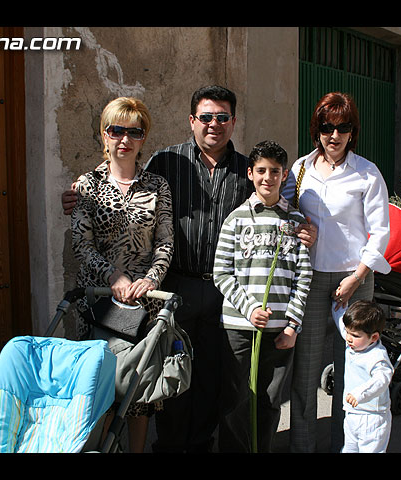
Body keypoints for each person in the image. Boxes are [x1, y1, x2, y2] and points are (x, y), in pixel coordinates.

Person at [63, 85, 317, 452]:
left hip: (223, 292)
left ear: (233, 121)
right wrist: (75, 195)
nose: (214, 124)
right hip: (175, 286)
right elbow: (125, 185)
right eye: (206, 117)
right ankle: (170, 446)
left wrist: (308, 227)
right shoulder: (168, 162)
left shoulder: (248, 169)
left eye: (223, 117)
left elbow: (282, 208)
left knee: (213, 379)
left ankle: (200, 445)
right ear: (192, 121)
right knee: (171, 373)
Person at [281, 92, 391, 453]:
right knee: (306, 372)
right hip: (310, 280)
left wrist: (357, 277)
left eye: (343, 128)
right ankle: (302, 446)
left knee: (351, 373)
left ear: (352, 132)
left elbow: (381, 230)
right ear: (317, 129)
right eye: (327, 127)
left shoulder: (367, 172)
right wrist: (297, 228)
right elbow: (282, 213)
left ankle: (347, 446)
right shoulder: (299, 170)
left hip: (355, 279)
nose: (334, 135)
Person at [70, 96, 174, 453]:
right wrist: (114, 276)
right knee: (97, 388)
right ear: (104, 134)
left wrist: (151, 280)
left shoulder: (158, 186)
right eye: (117, 130)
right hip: (97, 303)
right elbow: (81, 245)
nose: (124, 139)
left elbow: (165, 243)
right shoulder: (87, 185)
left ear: (144, 137)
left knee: (137, 392)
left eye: (135, 131)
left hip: (141, 305)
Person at [212, 140, 313, 453]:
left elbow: (303, 277)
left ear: (284, 176)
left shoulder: (295, 223)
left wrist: (292, 326)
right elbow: (221, 272)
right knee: (235, 400)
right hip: (238, 327)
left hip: (279, 332)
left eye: (275, 171)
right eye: (261, 170)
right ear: (250, 173)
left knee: (269, 401)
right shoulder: (236, 219)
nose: (267, 177)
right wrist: (249, 308)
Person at [332, 300, 393, 453]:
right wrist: (337, 303)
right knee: (349, 449)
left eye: (354, 335)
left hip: (372, 417)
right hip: (352, 413)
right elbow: (341, 321)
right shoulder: (356, 342)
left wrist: (360, 393)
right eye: (348, 332)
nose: (349, 338)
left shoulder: (377, 356)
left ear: (373, 337)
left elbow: (381, 379)